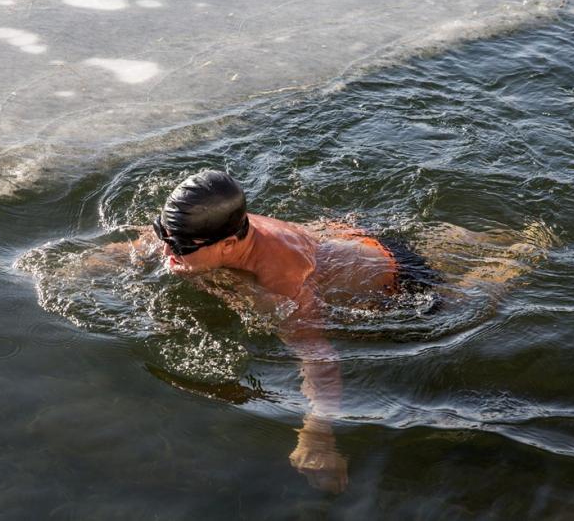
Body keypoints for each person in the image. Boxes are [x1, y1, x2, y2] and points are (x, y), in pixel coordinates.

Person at [127, 169, 545, 493]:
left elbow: (319, 358)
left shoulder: (282, 282)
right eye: (166, 235)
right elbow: (152, 239)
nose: (166, 250)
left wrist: (317, 435)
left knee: (486, 285)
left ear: (230, 241)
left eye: (180, 247)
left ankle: (534, 245)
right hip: (352, 242)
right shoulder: (215, 225)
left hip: (401, 282)